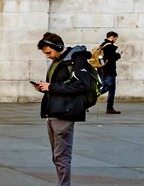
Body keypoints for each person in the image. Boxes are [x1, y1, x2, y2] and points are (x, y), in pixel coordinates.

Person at [33, 31, 94, 186]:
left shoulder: (76, 60)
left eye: (49, 52)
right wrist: (45, 88)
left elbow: (82, 85)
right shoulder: (59, 61)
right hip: (53, 111)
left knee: (61, 156)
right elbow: (61, 85)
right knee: (57, 155)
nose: (47, 56)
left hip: (65, 112)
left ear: (58, 47)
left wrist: (52, 87)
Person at [98, 31, 122, 114]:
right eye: (115, 38)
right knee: (107, 87)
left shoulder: (102, 45)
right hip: (108, 71)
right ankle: (90, 97)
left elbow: (102, 59)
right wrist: (118, 55)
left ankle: (110, 108)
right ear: (112, 37)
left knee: (112, 89)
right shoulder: (109, 47)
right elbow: (111, 58)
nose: (116, 40)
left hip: (102, 70)